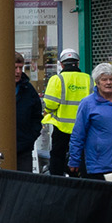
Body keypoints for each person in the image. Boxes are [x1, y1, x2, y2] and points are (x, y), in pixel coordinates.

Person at [65, 64, 112, 178]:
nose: (108, 83)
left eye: (111, 79)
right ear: (97, 82)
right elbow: (78, 134)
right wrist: (74, 160)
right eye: (104, 79)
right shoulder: (87, 103)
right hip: (96, 166)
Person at [41, 48, 90, 176]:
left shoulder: (57, 79)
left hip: (61, 127)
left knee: (57, 155)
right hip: (83, 128)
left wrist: (47, 112)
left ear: (61, 64)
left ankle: (57, 183)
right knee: (80, 156)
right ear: (77, 63)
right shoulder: (88, 79)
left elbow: (50, 104)